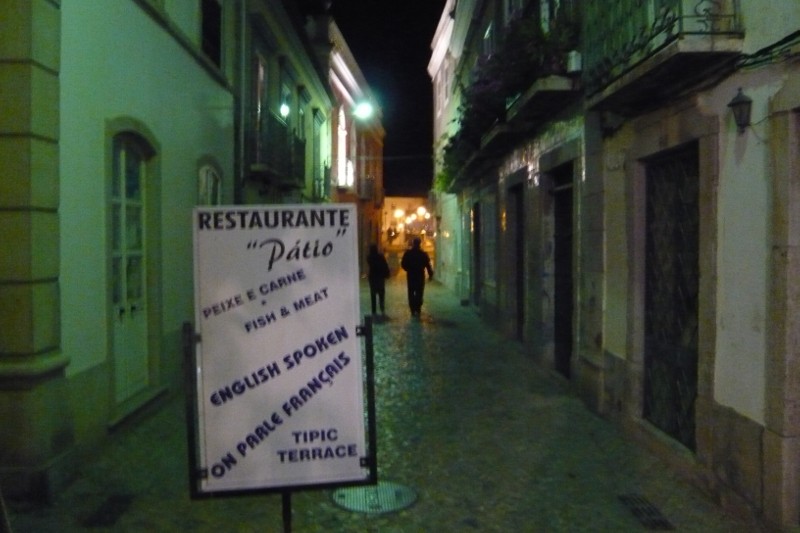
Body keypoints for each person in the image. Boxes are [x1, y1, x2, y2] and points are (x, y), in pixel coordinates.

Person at [400, 237, 433, 316]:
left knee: (411, 292)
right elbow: (428, 265)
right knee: (419, 292)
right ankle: (418, 308)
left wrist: (408, 269)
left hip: (411, 275)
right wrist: (430, 274)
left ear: (413, 243)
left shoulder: (408, 253)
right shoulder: (423, 254)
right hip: (420, 275)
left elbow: (403, 264)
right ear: (419, 243)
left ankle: (412, 309)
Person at [366, 244, 390, 316]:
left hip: (373, 277)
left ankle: (374, 311)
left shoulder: (369, 257)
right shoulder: (381, 257)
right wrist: (387, 274)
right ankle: (382, 309)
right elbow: (385, 265)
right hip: (380, 277)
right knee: (381, 294)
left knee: (373, 294)